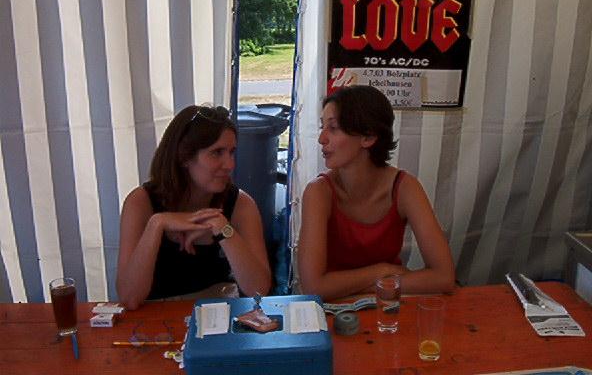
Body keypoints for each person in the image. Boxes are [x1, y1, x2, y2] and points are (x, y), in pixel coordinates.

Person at [298, 85, 455, 301]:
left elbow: (444, 277)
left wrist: (367, 287)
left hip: (387, 306)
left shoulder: (404, 187)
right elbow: (313, 287)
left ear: (369, 137)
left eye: (333, 128)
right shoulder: (318, 192)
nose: (321, 138)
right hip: (334, 311)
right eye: (322, 126)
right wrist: (382, 272)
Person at [117, 105, 271, 310]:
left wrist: (222, 228)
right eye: (217, 153)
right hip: (156, 321)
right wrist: (157, 223)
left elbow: (259, 290)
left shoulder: (241, 204)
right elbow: (129, 298)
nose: (230, 164)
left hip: (218, 318)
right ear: (184, 157)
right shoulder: (140, 202)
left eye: (232, 152)